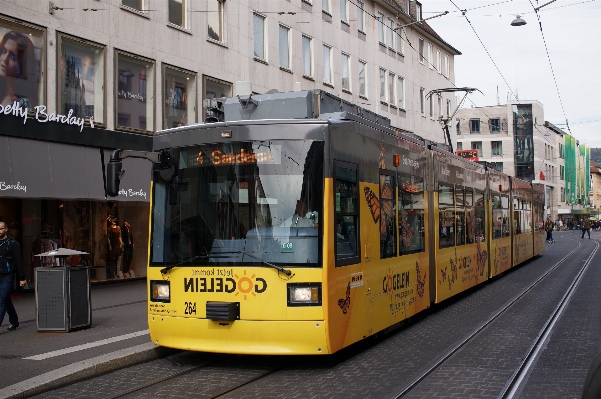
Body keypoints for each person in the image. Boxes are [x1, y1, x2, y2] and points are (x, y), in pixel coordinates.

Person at [0, 30, 38, 107]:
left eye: (13, 56)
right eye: (4, 51)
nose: (5, 59)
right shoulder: (3, 93)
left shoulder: (22, 103)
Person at [0, 221, 25, 331]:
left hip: (8, 275)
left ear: (6, 229)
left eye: (1, 229)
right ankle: (14, 321)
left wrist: (22, 277)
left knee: (2, 300)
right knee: (5, 299)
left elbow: (18, 260)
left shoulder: (13, 243)